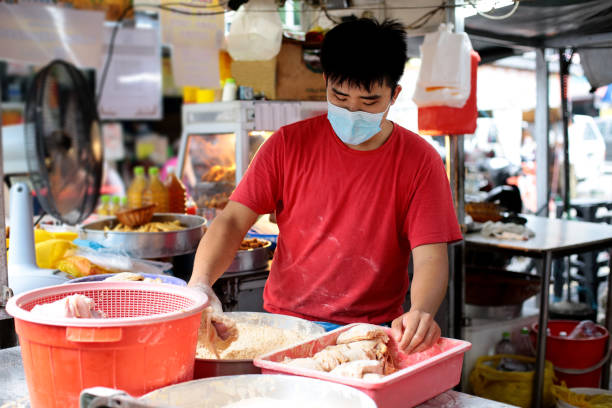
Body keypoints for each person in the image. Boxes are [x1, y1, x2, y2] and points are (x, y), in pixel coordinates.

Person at [189, 18, 462, 354]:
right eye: (340, 96)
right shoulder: (287, 144)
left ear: (394, 94)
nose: (352, 111)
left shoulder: (421, 160)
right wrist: (201, 282)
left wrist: (421, 310)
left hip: (370, 335)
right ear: (326, 82)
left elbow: (431, 254)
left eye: (369, 102)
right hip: (286, 327)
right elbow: (232, 220)